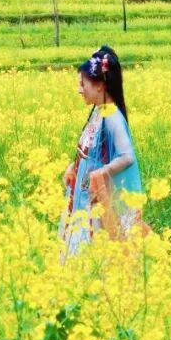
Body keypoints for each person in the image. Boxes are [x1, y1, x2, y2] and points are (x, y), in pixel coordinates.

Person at [59, 45, 144, 260]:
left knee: (92, 255)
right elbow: (90, 151)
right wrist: (73, 166)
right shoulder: (99, 111)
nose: (79, 90)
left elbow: (127, 156)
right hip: (81, 197)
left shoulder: (112, 117)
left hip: (93, 202)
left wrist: (102, 173)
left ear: (99, 85)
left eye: (83, 84)